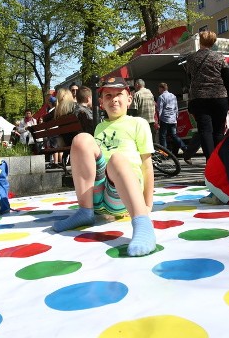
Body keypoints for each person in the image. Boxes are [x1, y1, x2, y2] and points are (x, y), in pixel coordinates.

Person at [48, 77, 156, 257]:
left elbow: (146, 164)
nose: (114, 99)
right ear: (101, 102)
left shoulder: (138, 123)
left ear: (129, 99)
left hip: (124, 194)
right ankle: (84, 211)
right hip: (98, 198)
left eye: (119, 94)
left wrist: (147, 203)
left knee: (117, 159)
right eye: (108, 95)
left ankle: (142, 223)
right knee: (81, 139)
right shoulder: (99, 127)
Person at [185, 30, 229, 160]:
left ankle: (211, 161)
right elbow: (228, 80)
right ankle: (220, 160)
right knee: (218, 131)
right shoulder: (219, 57)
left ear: (200, 41)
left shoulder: (191, 58)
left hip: (199, 98)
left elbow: (189, 78)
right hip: (219, 97)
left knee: (205, 131)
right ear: (213, 42)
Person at [156, 82, 188, 155]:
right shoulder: (173, 96)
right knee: (174, 135)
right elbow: (176, 108)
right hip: (173, 119)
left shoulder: (161, 97)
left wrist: (158, 120)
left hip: (164, 119)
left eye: (159, 88)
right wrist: (176, 118)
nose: (158, 90)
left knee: (163, 136)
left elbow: (159, 110)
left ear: (162, 88)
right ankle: (184, 147)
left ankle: (164, 153)